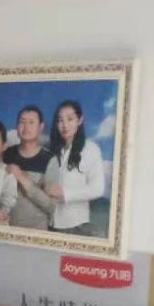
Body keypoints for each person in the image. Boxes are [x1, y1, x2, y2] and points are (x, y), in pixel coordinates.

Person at [43, 99, 106, 236]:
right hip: (49, 224)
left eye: (70, 119)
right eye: (60, 120)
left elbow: (98, 189)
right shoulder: (52, 150)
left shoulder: (90, 149)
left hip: (76, 225)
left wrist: (65, 194)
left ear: (80, 120)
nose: (65, 125)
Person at [3, 106, 57, 230]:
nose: (26, 127)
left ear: (41, 127)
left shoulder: (50, 160)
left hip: (36, 231)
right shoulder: (6, 154)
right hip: (5, 229)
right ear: (17, 127)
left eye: (31, 122)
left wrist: (22, 178)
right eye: (22, 122)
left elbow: (52, 207)